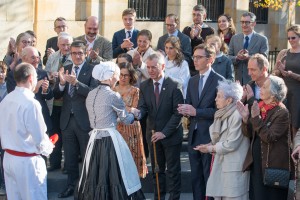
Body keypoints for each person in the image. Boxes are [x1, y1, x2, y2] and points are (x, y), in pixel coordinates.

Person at [75, 61, 145, 200]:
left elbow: (104, 117)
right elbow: (125, 120)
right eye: (117, 76)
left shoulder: (91, 94)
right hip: (110, 140)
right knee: (115, 174)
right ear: (111, 76)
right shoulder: (113, 95)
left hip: (94, 138)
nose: (118, 79)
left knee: (94, 173)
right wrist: (135, 114)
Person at [0, 63, 54, 200]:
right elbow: (40, 139)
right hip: (27, 161)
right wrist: (49, 146)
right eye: (36, 76)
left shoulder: (6, 99)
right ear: (31, 78)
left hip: (9, 158)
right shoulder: (31, 103)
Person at [178, 44, 224, 200]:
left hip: (210, 136)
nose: (195, 60)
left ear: (210, 59)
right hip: (193, 135)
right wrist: (185, 110)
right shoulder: (192, 81)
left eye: (199, 57)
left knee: (208, 176)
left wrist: (196, 111)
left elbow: (220, 111)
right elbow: (191, 106)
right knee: (196, 178)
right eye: (194, 57)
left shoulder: (219, 81)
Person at [53, 41, 97, 198]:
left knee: (87, 157)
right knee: (70, 158)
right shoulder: (65, 69)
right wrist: (62, 84)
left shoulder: (92, 70)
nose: (77, 56)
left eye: (80, 53)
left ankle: (87, 188)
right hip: (67, 120)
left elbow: (93, 93)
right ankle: (71, 186)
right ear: (70, 54)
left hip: (84, 120)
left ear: (85, 53)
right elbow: (56, 94)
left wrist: (76, 83)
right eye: (74, 53)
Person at [138, 52, 184, 200]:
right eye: (148, 67)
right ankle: (159, 197)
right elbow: (143, 107)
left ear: (163, 66)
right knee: (157, 170)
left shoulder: (175, 85)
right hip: (152, 135)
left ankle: (173, 198)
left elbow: (178, 113)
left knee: (172, 170)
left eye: (154, 67)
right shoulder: (144, 86)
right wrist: (136, 114)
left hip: (170, 135)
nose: (150, 70)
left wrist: (164, 132)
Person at [237, 75, 290, 200]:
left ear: (273, 94)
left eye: (265, 87)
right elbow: (249, 133)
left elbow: (269, 137)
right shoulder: (260, 107)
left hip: (271, 165)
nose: (260, 88)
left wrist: (255, 118)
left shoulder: (282, 112)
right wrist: (245, 120)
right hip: (257, 163)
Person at [194, 80, 250, 200]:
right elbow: (221, 139)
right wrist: (209, 145)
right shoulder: (222, 114)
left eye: (219, 96)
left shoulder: (237, 115)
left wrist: (210, 148)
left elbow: (231, 144)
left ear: (229, 100)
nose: (215, 99)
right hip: (223, 166)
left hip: (234, 170)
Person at [6, 46, 53, 132]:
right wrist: (34, 89)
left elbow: (50, 96)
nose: (37, 60)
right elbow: (14, 96)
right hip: (22, 118)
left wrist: (46, 90)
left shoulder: (42, 73)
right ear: (24, 58)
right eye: (33, 57)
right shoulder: (13, 75)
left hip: (41, 117)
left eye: (38, 57)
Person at [113, 62, 147, 178]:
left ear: (131, 76)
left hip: (131, 129)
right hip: (116, 128)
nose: (123, 77)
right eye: (121, 75)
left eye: (126, 75)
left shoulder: (135, 91)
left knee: (132, 158)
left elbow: (136, 110)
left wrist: (124, 108)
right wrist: (129, 108)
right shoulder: (112, 89)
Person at [45, 32, 73, 172]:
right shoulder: (52, 57)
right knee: (54, 133)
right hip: (54, 103)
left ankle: (68, 165)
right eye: (63, 44)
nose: (66, 47)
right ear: (57, 44)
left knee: (68, 136)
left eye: (68, 44)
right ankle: (55, 162)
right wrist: (51, 76)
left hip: (68, 103)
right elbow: (46, 73)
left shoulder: (74, 57)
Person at [273, 24, 300, 137]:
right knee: (284, 123)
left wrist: (292, 74)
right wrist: (280, 71)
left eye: (293, 37)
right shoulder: (283, 53)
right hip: (284, 92)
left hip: (298, 93)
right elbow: (274, 74)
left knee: (295, 124)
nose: (290, 40)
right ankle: (285, 150)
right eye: (288, 38)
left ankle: (295, 150)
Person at [228, 12, 269, 85]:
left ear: (254, 23)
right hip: (237, 80)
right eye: (242, 22)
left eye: (247, 22)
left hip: (254, 81)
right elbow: (228, 57)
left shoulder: (262, 39)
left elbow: (264, 59)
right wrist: (237, 58)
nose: (244, 25)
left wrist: (249, 57)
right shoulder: (234, 38)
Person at [182, 5, 214, 76]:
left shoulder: (210, 30)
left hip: (203, 65)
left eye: (198, 15)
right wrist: (191, 38)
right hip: (188, 65)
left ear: (204, 16)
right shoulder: (186, 29)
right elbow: (183, 47)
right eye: (194, 15)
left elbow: (209, 48)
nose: (196, 17)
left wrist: (198, 37)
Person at [0, 61, 7, 195]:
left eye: (2, 71)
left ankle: (5, 182)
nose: (0, 74)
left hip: (7, 125)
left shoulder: (11, 86)